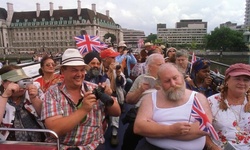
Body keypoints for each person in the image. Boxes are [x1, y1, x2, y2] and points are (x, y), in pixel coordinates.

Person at [41, 48, 121, 150]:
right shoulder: (52, 93)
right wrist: (84, 109)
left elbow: (117, 112)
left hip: (93, 146)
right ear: (62, 71)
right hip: (63, 147)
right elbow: (54, 130)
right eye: (74, 70)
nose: (79, 74)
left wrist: (107, 96)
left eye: (82, 70)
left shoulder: (94, 88)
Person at [134, 63, 212, 150]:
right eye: (167, 81)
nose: (173, 84)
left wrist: (157, 129)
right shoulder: (150, 98)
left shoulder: (199, 98)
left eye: (175, 78)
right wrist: (170, 130)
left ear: (182, 77)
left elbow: (205, 128)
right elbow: (139, 128)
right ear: (160, 84)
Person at [122, 53, 165, 150]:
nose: (163, 67)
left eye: (164, 64)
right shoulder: (141, 78)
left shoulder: (168, 80)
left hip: (162, 111)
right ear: (149, 67)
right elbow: (128, 100)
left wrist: (162, 90)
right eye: (160, 65)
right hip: (141, 111)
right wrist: (141, 90)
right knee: (130, 133)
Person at [207, 63, 250, 149]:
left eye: (245, 80)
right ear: (227, 81)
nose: (242, 83)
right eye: (237, 79)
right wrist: (213, 148)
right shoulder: (211, 102)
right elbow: (202, 131)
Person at [0, 65, 45, 142]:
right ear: (3, 83)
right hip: (8, 144)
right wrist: (5, 96)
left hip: (39, 142)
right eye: (16, 82)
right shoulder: (2, 97)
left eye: (23, 81)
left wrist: (34, 98)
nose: (21, 86)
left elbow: (45, 115)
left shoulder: (34, 91)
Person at [99, 49, 125, 146]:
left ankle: (114, 133)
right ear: (106, 59)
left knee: (114, 106)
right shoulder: (99, 67)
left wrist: (118, 75)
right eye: (112, 57)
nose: (115, 59)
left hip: (113, 93)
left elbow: (122, 83)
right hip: (100, 94)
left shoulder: (116, 67)